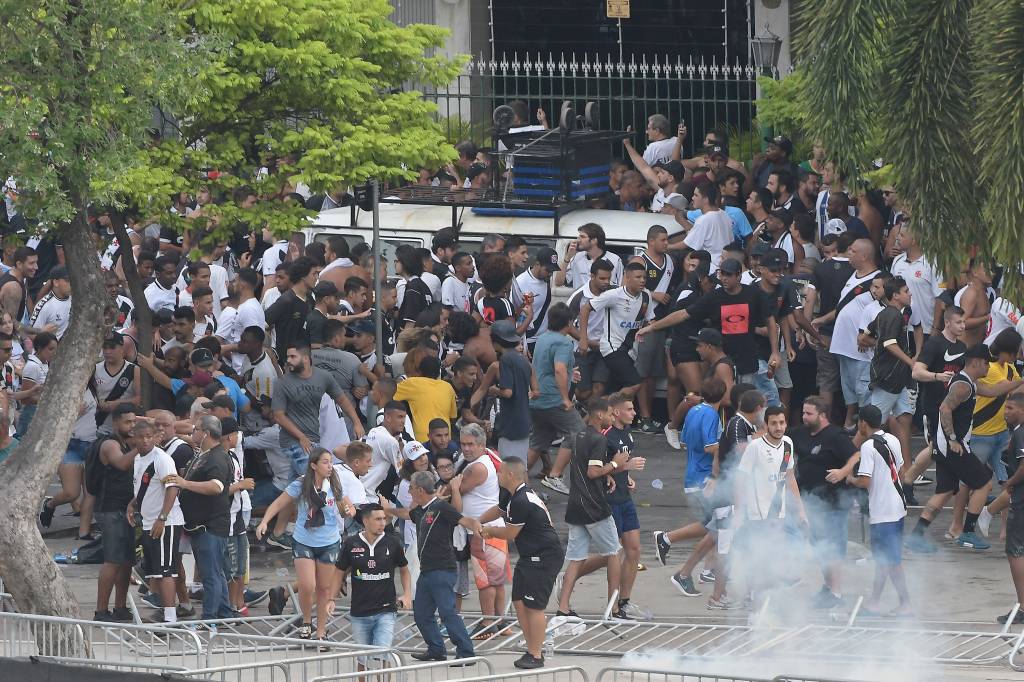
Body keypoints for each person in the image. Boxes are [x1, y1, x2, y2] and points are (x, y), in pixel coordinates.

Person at [906, 344, 995, 553]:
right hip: (954, 448)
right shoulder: (962, 385)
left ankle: (916, 537)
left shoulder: (968, 382)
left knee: (944, 492)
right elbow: (945, 408)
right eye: (986, 363)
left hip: (944, 447)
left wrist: (1018, 382)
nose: (988, 367)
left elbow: (993, 390)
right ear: (975, 362)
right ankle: (968, 532)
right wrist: (953, 439)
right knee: (984, 484)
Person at [478, 457, 564, 669]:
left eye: (500, 472)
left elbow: (509, 533)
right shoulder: (510, 494)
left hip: (544, 557)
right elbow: (498, 511)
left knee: (534, 606)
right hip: (529, 556)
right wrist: (478, 521)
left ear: (510, 475)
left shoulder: (522, 500)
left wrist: (488, 531)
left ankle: (535, 654)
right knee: (518, 601)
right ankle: (531, 647)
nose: (497, 476)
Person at [389, 470, 482, 663]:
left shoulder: (441, 507)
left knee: (447, 612)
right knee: (421, 613)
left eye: (412, 489)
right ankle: (436, 649)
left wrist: (479, 528)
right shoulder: (423, 509)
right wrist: (387, 510)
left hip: (442, 569)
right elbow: (408, 514)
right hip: (426, 571)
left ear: (420, 490)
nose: (410, 492)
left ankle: (466, 652)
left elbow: (464, 520)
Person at [257, 448, 345, 640]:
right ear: (314, 465)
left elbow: (343, 504)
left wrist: (349, 509)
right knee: (307, 584)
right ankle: (306, 620)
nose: (330, 466)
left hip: (329, 541)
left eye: (330, 462)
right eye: (325, 462)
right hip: (304, 540)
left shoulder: (335, 484)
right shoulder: (301, 484)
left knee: (324, 588)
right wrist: (265, 521)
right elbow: (279, 503)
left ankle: (321, 630)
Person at [556, 398, 628, 617]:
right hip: (595, 507)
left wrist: (607, 476)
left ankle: (563, 607)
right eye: (609, 414)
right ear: (599, 416)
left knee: (576, 558)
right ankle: (613, 607)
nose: (611, 418)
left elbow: (585, 469)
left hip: (575, 505)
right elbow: (593, 472)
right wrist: (616, 463)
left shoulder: (577, 436)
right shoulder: (598, 439)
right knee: (614, 552)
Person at [733, 406, 809, 601]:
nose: (778, 427)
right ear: (766, 425)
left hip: (779, 512)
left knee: (775, 554)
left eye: (782, 423)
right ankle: (754, 599)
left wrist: (801, 511)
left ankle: (765, 598)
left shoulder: (788, 444)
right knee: (760, 555)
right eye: (774, 423)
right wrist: (739, 513)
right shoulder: (755, 447)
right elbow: (741, 479)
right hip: (758, 513)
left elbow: (790, 477)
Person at [790, 396, 858, 609]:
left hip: (834, 503)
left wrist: (842, 472)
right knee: (820, 547)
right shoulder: (799, 433)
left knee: (833, 548)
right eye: (803, 412)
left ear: (822, 415)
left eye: (809, 414)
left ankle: (836, 594)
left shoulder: (836, 436)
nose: (804, 417)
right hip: (811, 503)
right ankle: (828, 588)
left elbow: (856, 455)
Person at [164, 415, 235, 620]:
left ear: (206, 433)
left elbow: (216, 486)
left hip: (211, 525)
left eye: (196, 430)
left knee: (210, 574)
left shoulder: (217, 457)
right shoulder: (203, 454)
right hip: (200, 524)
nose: (192, 433)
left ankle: (210, 616)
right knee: (216, 572)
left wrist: (185, 484)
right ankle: (223, 612)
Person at [848, 405, 911, 617]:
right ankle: (874, 602)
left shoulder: (868, 447)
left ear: (863, 423)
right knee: (885, 559)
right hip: (897, 506)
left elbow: (865, 481)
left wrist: (849, 479)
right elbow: (901, 472)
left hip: (883, 511)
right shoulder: (892, 439)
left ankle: (905, 604)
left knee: (891, 561)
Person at [126, 419, 184, 625]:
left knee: (166, 569)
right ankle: (163, 610)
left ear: (154, 437)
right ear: (133, 438)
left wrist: (162, 518)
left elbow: (172, 488)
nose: (145, 441)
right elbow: (144, 487)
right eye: (140, 437)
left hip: (166, 522)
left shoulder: (162, 459)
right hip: (149, 521)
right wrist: (133, 504)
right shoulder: (139, 459)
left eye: (149, 437)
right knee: (155, 570)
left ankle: (170, 617)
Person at [455, 423, 510, 638]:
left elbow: (456, 488)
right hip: (494, 529)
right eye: (463, 444)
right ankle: (502, 622)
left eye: (471, 444)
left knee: (485, 580)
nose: (466, 449)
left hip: (481, 531)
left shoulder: (477, 467)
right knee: (496, 579)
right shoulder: (488, 458)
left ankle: (488, 623)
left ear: (481, 444)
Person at [337, 503, 411, 661]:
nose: (383, 523)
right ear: (365, 521)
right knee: (363, 661)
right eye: (378, 519)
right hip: (359, 612)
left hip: (385, 611)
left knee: (382, 657)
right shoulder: (351, 544)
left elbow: (404, 569)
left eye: (384, 519)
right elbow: (338, 571)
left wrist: (407, 594)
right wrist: (330, 598)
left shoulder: (392, 542)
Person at [272, 342, 346, 484]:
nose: (288, 362)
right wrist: (302, 437)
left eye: (293, 357)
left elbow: (340, 401)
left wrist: (356, 422)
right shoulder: (283, 383)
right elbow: (278, 416)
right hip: (300, 442)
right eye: (287, 358)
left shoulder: (321, 383)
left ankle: (283, 506)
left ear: (305, 359)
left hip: (315, 442)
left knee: (300, 486)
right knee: (311, 483)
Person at [92, 405, 139, 622]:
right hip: (110, 509)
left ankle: (120, 607)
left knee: (126, 561)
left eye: (134, 422)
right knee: (112, 560)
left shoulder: (124, 442)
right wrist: (142, 444)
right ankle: (101, 611)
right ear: (115, 423)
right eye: (127, 422)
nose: (132, 426)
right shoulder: (110, 444)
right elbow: (121, 463)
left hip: (125, 509)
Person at [528, 303, 582, 487]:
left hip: (538, 397)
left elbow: (543, 365)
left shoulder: (543, 338)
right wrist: (565, 398)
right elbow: (559, 369)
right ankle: (555, 476)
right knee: (578, 432)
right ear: (569, 322)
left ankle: (514, 479)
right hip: (553, 399)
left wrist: (569, 372)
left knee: (539, 439)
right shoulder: (563, 342)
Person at [578, 261, 651, 397]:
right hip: (613, 348)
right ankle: (603, 410)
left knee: (610, 391)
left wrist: (648, 327)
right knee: (634, 384)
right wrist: (583, 338)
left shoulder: (646, 296)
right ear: (627, 278)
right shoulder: (614, 295)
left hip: (630, 351)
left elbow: (649, 320)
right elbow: (585, 308)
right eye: (638, 277)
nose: (642, 281)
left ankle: (593, 415)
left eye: (644, 278)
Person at [485, 319, 535, 463]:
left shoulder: (506, 360)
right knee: (521, 464)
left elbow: (507, 392)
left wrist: (494, 390)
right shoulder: (523, 360)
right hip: (523, 420)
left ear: (496, 341)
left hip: (511, 423)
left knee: (509, 465)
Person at [998, 392, 1024, 624]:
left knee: (1015, 552)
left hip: (1022, 501)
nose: (1006, 412)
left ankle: (1023, 607)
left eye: (1011, 408)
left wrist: (1010, 482)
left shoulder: (1021, 433)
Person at [394, 355, 458, 442]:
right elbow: (453, 417)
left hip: (423, 439)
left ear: (420, 371)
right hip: (445, 439)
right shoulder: (448, 387)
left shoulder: (412, 383)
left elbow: (389, 393)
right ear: (438, 372)